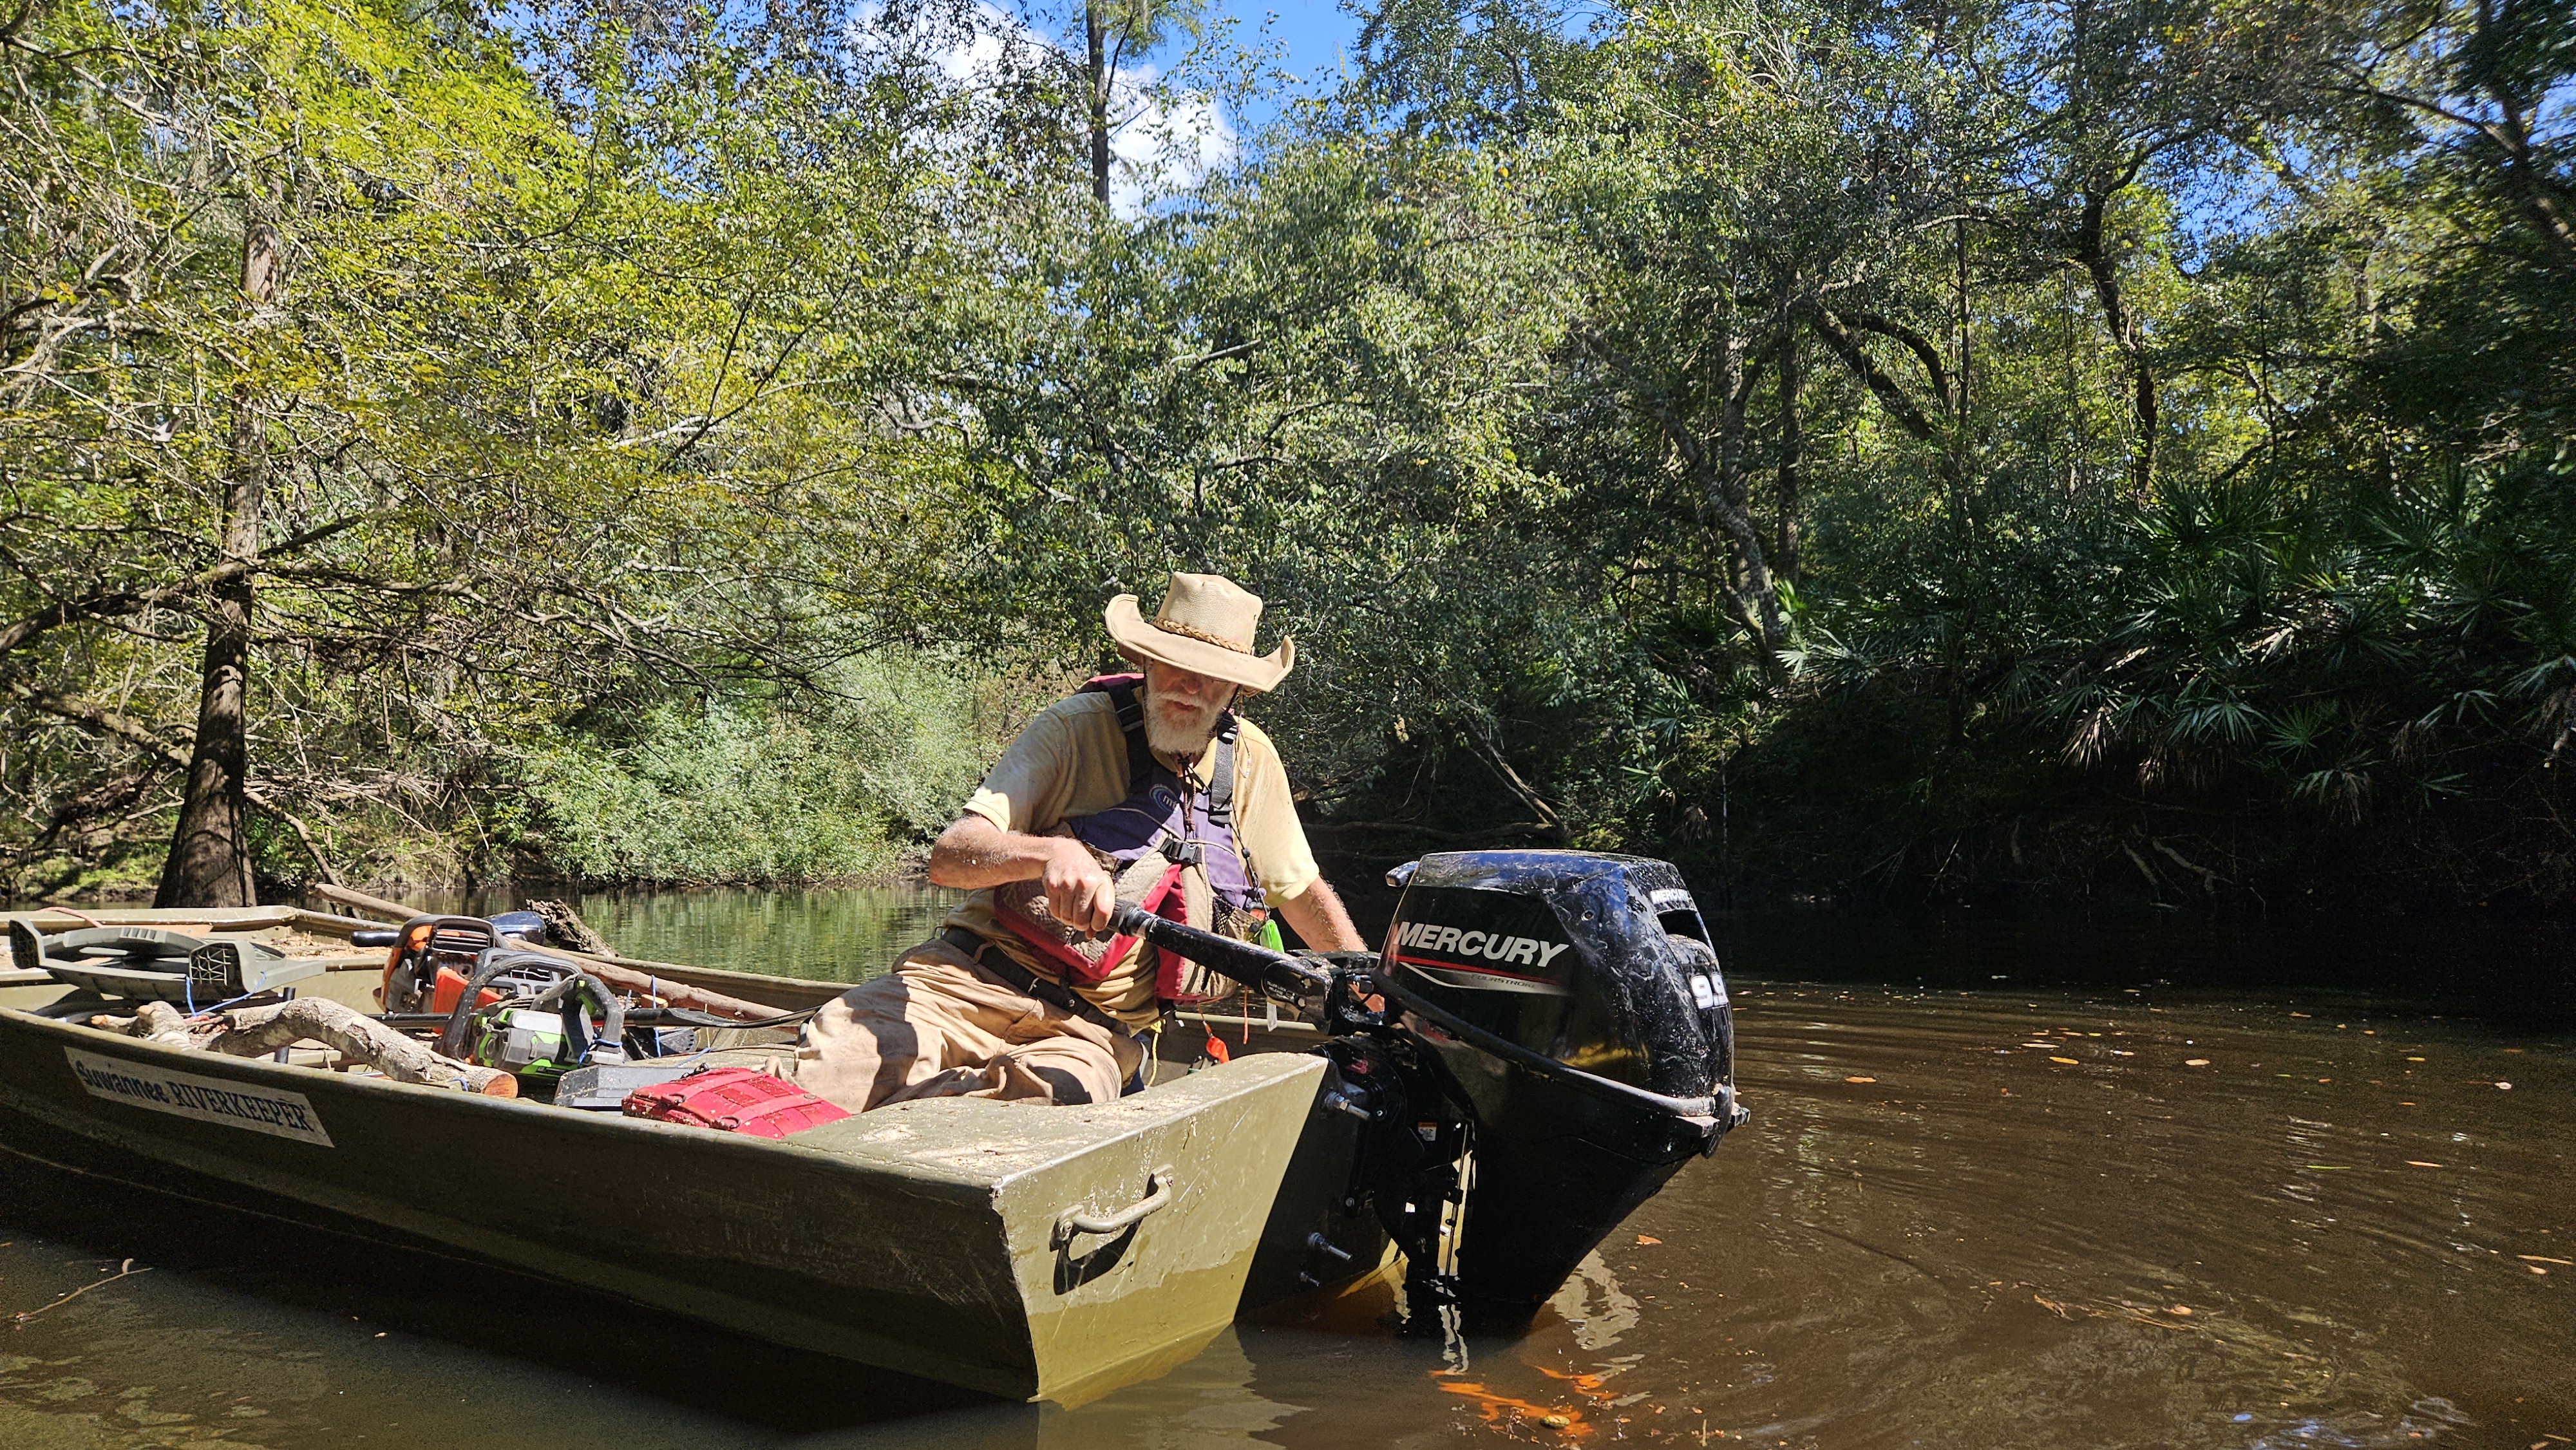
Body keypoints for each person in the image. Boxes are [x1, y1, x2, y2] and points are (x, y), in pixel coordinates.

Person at [791, 572, 1366, 1110]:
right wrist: (1049, 852)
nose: (1191, 687)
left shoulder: (1252, 765)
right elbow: (950, 857)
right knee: (831, 1069)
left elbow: (1299, 892)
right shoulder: (1073, 728)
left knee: (1051, 1114)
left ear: (1239, 690)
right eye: (1175, 665)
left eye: (1213, 675)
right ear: (1144, 659)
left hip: (1091, 1033)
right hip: (959, 985)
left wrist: (1374, 995)